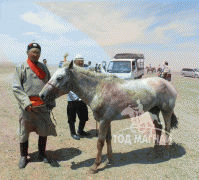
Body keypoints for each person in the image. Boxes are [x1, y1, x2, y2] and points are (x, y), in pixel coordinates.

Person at [12, 43, 57, 169]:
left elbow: (49, 85)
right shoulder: (21, 67)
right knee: (24, 131)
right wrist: (26, 103)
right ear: (27, 53)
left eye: (38, 52)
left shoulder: (43, 67)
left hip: (42, 106)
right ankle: (23, 156)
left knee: (43, 130)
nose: (36, 54)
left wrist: (51, 102)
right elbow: (16, 87)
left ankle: (42, 153)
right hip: (28, 107)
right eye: (33, 52)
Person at [67, 54, 90, 140]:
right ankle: (73, 133)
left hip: (82, 98)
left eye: (82, 61)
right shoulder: (70, 71)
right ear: (75, 61)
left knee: (84, 117)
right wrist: (75, 97)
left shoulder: (85, 71)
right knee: (71, 118)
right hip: (72, 99)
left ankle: (81, 131)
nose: (80, 62)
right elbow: (68, 86)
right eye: (79, 61)